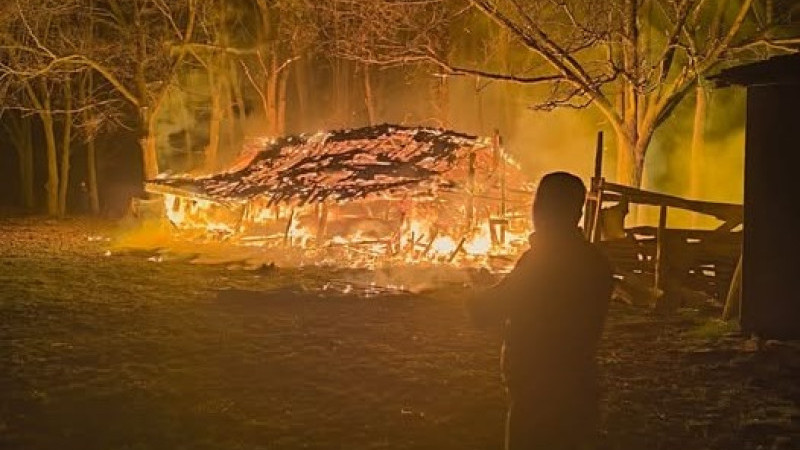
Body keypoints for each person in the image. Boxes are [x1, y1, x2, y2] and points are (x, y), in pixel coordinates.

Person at [469, 171, 613, 450]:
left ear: (543, 211)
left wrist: (475, 295)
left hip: (538, 388)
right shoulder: (595, 261)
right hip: (578, 383)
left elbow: (487, 311)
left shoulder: (542, 261)